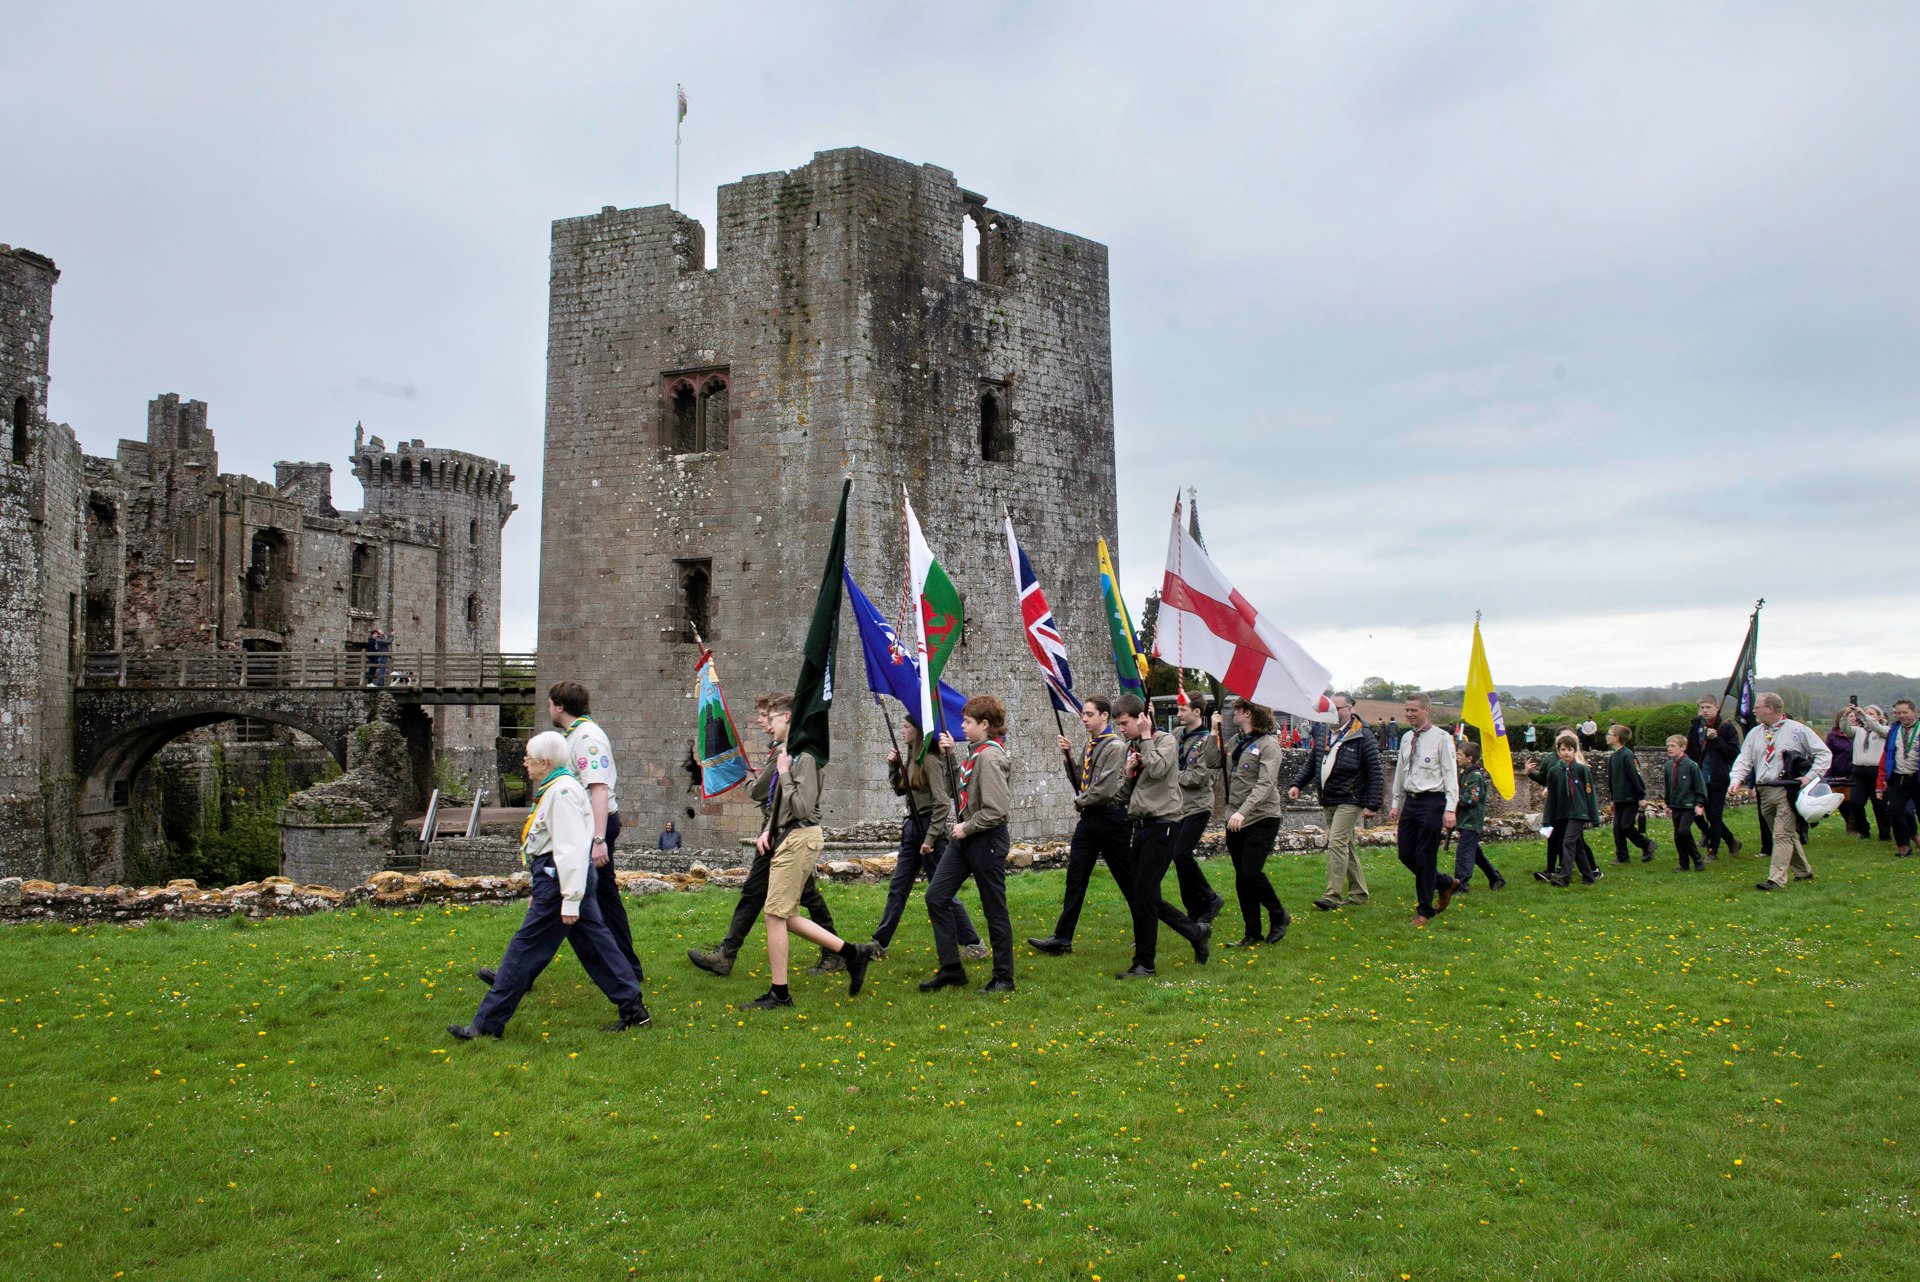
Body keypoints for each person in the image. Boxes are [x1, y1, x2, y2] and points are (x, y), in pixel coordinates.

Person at [449, 732, 650, 1040]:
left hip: (561, 880)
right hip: (560, 878)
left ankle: (487, 1024)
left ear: (545, 762)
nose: (525, 763)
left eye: (529, 758)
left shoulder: (563, 792)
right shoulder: (556, 788)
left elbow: (570, 848)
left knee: (525, 948)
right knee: (595, 944)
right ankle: (633, 1008)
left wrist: (568, 899)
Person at [688, 693, 841, 977]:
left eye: (765, 716)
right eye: (762, 716)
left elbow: (764, 792)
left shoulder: (794, 752)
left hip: (789, 832)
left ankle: (841, 952)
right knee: (758, 892)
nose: (763, 723)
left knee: (793, 899)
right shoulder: (781, 749)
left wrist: (750, 778)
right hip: (775, 830)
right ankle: (727, 954)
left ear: (786, 718)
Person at [737, 700, 875, 1010]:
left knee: (775, 914)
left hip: (800, 838)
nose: (767, 725)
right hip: (787, 836)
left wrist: (784, 773)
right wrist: (768, 830)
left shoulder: (807, 759)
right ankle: (854, 953)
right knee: (787, 916)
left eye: (771, 718)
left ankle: (780, 994)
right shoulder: (789, 755)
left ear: (788, 717)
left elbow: (801, 808)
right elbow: (780, 805)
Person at [544, 681, 644, 982]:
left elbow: (598, 788)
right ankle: (629, 967)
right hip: (583, 827)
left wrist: (598, 840)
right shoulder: (574, 736)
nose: (548, 708)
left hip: (593, 828)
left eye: (550, 703)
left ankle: (629, 968)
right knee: (588, 896)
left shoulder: (588, 737)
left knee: (591, 896)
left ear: (560, 706)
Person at [920, 696, 1017, 993]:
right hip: (966, 839)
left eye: (967, 722)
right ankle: (951, 969)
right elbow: (955, 790)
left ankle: (1003, 978)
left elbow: (997, 810)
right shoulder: (973, 754)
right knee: (936, 896)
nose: (961, 726)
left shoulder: (989, 757)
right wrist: (949, 758)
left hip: (985, 838)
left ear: (985, 725)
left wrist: (967, 827)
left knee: (994, 909)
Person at [870, 718, 986, 960]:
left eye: (906, 727)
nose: (902, 731)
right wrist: (894, 766)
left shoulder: (931, 761)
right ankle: (880, 943)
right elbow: (902, 789)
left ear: (919, 731)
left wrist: (931, 838)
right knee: (898, 887)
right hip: (912, 827)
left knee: (940, 892)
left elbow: (943, 802)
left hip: (928, 829)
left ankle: (974, 943)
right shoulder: (912, 758)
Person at [1112, 693, 1211, 976]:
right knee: (1145, 894)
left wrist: (1145, 737)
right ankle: (1195, 932)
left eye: (1125, 723)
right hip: (1140, 826)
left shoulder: (1165, 740)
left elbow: (1158, 769)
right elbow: (1124, 795)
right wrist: (1128, 775)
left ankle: (1145, 962)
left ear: (1141, 719)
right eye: (1119, 724)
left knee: (1143, 895)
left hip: (1164, 824)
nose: (1122, 729)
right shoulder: (1129, 748)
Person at [1027, 697, 1134, 956]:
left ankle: (1154, 925)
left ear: (1104, 716)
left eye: (1089, 714)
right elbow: (1081, 782)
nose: (1084, 719)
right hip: (1090, 820)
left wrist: (1079, 801)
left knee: (1129, 881)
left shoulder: (1115, 747)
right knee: (1075, 879)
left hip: (1110, 820)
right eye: (1083, 714)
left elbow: (1105, 789)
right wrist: (1069, 756)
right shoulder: (1090, 745)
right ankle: (1062, 939)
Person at [1289, 690, 1382, 911]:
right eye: (1330, 708)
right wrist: (1296, 784)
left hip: (1351, 797)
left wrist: (1373, 803)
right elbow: (1313, 762)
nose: (1332, 712)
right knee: (1345, 845)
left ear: (1349, 709)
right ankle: (1359, 893)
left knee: (1336, 842)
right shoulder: (1323, 732)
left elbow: (1375, 771)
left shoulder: (1363, 735)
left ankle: (1332, 895)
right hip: (1329, 797)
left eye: (1337, 708)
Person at [1728, 692, 1831, 891]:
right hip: (1764, 790)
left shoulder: (1798, 730)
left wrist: (1810, 777)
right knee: (1786, 833)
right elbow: (1745, 758)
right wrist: (1736, 779)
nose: (1754, 710)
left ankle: (1776, 879)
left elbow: (1824, 753)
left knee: (1781, 834)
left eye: (1758, 706)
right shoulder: (1755, 733)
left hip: (1787, 789)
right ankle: (1803, 870)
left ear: (1771, 709)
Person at [1208, 699, 1292, 945]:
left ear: (1248, 713)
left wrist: (1243, 812)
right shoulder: (1236, 742)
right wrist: (1214, 731)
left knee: (1250, 872)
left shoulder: (1269, 745)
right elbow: (1212, 761)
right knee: (1241, 877)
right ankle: (1252, 933)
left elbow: (1265, 784)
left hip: (1261, 817)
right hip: (1235, 818)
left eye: (1236, 710)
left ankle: (1279, 914)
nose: (1232, 714)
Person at [1388, 693, 1458, 926]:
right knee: (1406, 854)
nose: (1409, 714)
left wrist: (1451, 808)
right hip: (1412, 801)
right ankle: (1445, 883)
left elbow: (1450, 774)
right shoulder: (1407, 737)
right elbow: (1401, 771)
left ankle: (1424, 910)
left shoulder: (1441, 738)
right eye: (1407, 710)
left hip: (1432, 801)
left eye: (1414, 710)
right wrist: (1396, 803)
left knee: (1425, 856)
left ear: (1426, 710)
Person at [1170, 698, 1228, 924]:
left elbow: (1199, 777)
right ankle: (1194, 910)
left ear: (1197, 711)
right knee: (1179, 857)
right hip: (1177, 806)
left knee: (1181, 853)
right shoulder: (1176, 734)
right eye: (1178, 709)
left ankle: (1211, 898)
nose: (1179, 713)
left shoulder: (1207, 740)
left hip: (1197, 805)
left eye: (1183, 709)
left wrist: (1170, 776)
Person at [1532, 731, 1601, 887]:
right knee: (1577, 845)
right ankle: (1588, 876)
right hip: (1562, 814)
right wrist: (1547, 820)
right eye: (1563, 749)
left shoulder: (1582, 770)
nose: (1566, 753)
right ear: (1558, 751)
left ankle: (1564, 877)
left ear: (1575, 751)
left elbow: (1590, 794)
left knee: (1568, 842)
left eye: (1569, 749)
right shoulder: (1554, 772)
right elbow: (1552, 798)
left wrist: (1594, 817)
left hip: (1579, 812)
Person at [1858, 699, 1919, 857]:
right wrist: (1883, 779)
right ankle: (1903, 845)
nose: (1901, 716)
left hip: (1917, 777)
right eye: (1897, 713)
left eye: (1904, 712)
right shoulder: (1894, 730)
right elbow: (1886, 755)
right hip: (1898, 778)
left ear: (1914, 712)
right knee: (1895, 810)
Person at [1687, 697, 1744, 859]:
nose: (1704, 710)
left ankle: (1713, 850)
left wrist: (1716, 739)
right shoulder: (1695, 726)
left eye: (1708, 707)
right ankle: (1730, 840)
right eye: (1701, 707)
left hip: (1718, 778)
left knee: (1714, 815)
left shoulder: (1726, 728)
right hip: (1699, 778)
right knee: (1696, 813)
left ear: (1717, 707)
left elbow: (1733, 753)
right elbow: (1690, 750)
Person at [1450, 740, 1505, 892]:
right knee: (1474, 853)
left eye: (1459, 755)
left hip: (1471, 822)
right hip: (1464, 821)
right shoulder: (1463, 774)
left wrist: (1454, 800)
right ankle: (1495, 877)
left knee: (1464, 855)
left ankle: (1460, 884)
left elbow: (1471, 798)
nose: (1457, 757)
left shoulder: (1476, 777)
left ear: (1470, 759)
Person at [1606, 724, 1658, 864]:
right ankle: (1622, 856)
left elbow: (1636, 777)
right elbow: (1611, 780)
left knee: (1626, 826)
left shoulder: (1627, 755)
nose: (1606, 736)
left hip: (1630, 797)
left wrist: (1641, 796)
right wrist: (1613, 798)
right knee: (1617, 828)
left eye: (1609, 734)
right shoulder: (1612, 757)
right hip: (1619, 798)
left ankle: (1647, 844)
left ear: (1616, 738)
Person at [1843, 704, 1891, 842]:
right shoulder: (1859, 731)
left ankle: (1885, 833)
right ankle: (1864, 830)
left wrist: (1864, 714)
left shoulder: (1884, 730)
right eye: (1866, 713)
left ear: (1879, 717)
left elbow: (1876, 726)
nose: (1867, 715)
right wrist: (1846, 716)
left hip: (1876, 771)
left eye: (1872, 713)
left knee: (1879, 804)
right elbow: (1845, 729)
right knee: (1856, 802)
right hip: (1859, 770)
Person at [1663, 734, 1708, 871]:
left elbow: (1699, 786)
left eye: (1673, 746)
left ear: (1682, 748)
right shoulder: (1669, 766)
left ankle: (1697, 859)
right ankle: (1684, 864)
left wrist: (1699, 804)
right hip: (1676, 805)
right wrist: (1668, 803)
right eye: (1668, 746)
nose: (1670, 749)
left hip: (1688, 805)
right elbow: (1668, 786)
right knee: (1677, 836)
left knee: (1684, 831)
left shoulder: (1691, 766)